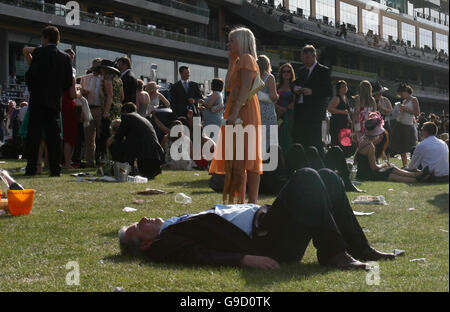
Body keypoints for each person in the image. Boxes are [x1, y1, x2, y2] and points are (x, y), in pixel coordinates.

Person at [119, 168, 397, 270]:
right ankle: (333, 253)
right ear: (144, 245)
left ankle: (360, 248)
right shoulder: (164, 243)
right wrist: (243, 259)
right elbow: (198, 254)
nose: (142, 218)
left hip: (267, 221)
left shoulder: (174, 223)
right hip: (267, 239)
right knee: (306, 178)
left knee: (329, 177)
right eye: (136, 227)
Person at [209, 27, 263, 204]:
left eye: (232, 40)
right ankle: (239, 200)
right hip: (237, 107)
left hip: (243, 108)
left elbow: (246, 87)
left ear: (242, 41)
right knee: (238, 155)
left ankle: (251, 201)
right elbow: (231, 85)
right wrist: (231, 60)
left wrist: (235, 111)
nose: (228, 43)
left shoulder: (247, 59)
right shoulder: (239, 60)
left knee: (247, 154)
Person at [24, 26, 73, 177]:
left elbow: (31, 74)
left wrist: (32, 87)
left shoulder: (39, 52)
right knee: (54, 136)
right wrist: (57, 91)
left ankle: (32, 168)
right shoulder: (65, 57)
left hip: (38, 99)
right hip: (54, 100)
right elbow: (67, 81)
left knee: (34, 136)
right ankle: (55, 169)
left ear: (45, 38)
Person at [355, 116, 429, 183]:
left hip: (362, 173)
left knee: (393, 169)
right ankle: (417, 179)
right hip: (367, 174)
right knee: (392, 176)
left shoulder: (363, 140)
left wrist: (382, 165)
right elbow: (374, 167)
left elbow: (360, 161)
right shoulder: (370, 146)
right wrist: (383, 165)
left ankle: (416, 174)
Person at [291, 45, 332, 158]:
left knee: (315, 143)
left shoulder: (323, 70)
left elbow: (328, 91)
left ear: (314, 56)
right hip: (301, 113)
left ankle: (318, 166)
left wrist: (312, 92)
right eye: (303, 58)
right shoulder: (302, 70)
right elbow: (295, 83)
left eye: (307, 57)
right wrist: (295, 88)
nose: (305, 60)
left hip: (314, 114)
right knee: (300, 142)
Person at [108, 103, 165, 179]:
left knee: (114, 145)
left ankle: (121, 168)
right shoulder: (143, 119)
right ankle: (130, 167)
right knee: (130, 142)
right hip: (156, 157)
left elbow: (119, 137)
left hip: (145, 158)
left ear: (124, 111)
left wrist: (111, 139)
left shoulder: (127, 116)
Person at [389, 83, 420, 168]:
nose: (401, 96)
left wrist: (405, 108)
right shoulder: (404, 101)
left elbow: (417, 113)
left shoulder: (414, 99)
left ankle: (414, 165)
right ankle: (405, 165)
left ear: (406, 91)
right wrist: (398, 110)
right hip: (400, 124)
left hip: (408, 125)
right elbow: (401, 113)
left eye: (401, 94)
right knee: (401, 147)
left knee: (410, 146)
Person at [80, 58, 103, 168]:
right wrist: (82, 93)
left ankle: (102, 161)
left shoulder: (105, 79)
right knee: (88, 137)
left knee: (101, 136)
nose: (95, 69)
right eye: (94, 66)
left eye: (98, 67)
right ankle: (90, 161)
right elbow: (80, 96)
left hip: (100, 109)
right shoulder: (85, 78)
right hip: (87, 108)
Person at [99, 59, 124, 160]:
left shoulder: (107, 78)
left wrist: (106, 111)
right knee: (116, 132)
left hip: (110, 107)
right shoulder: (119, 79)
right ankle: (116, 155)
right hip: (119, 107)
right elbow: (122, 97)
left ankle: (106, 157)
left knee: (107, 133)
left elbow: (110, 95)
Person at [256, 55, 278, 151]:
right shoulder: (269, 77)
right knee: (268, 140)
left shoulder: (253, 77)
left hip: (256, 110)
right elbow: (273, 96)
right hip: (267, 112)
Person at [61, 49, 78, 169]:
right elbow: (73, 95)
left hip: (56, 104)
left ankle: (48, 161)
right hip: (67, 104)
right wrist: (79, 92)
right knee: (69, 135)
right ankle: (67, 162)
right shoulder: (71, 76)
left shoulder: (54, 73)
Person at [276, 63, 295, 155]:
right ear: (281, 73)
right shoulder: (277, 86)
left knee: (287, 137)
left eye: (288, 71)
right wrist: (278, 108)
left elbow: (296, 101)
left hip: (289, 116)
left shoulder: (294, 86)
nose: (286, 73)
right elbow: (272, 100)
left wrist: (287, 108)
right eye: (284, 71)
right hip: (278, 116)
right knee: (277, 135)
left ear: (291, 73)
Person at [327, 80, 352, 148]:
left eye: (346, 86)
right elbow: (330, 109)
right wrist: (343, 112)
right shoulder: (336, 98)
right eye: (343, 86)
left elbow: (347, 111)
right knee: (336, 143)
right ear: (339, 89)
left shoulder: (345, 98)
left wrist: (350, 121)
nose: (345, 88)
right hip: (336, 124)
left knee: (344, 143)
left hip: (344, 124)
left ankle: (343, 157)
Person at [352, 80, 377, 145]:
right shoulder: (372, 100)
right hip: (369, 124)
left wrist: (352, 127)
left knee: (359, 142)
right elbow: (375, 114)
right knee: (369, 143)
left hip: (359, 124)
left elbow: (356, 113)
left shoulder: (358, 98)